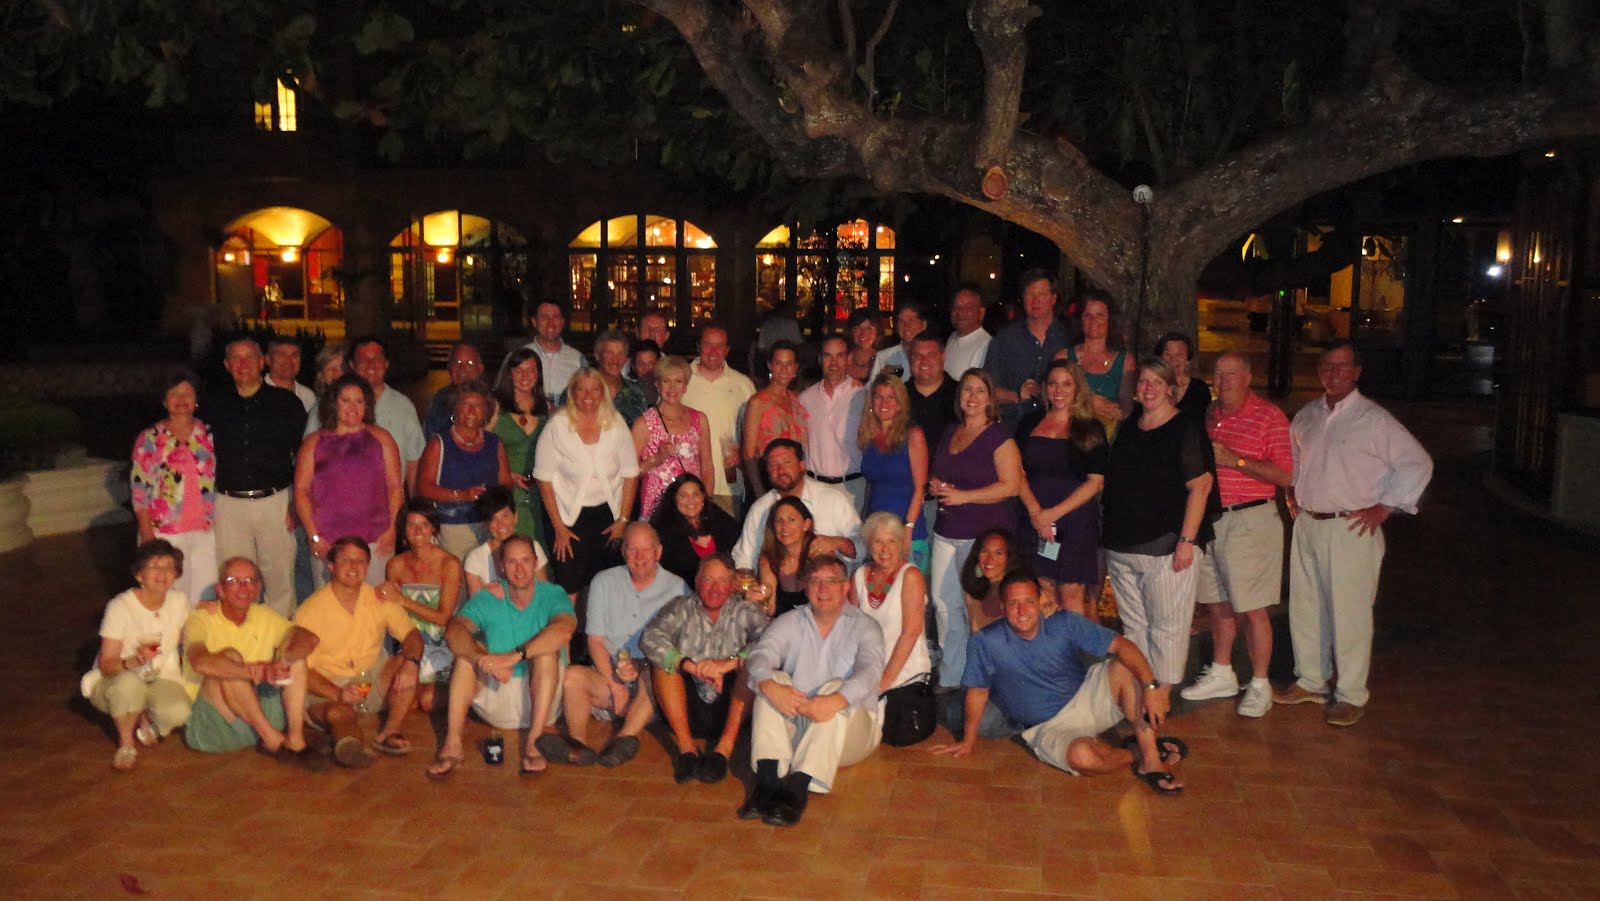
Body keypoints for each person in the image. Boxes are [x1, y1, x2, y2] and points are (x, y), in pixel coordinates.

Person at [1275, 341, 1433, 727]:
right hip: (1309, 523)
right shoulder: (1307, 416)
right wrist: (1292, 493)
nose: (1333, 373)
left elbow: (1417, 462)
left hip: (1351, 526)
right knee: (1306, 606)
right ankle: (1311, 679)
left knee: (1350, 613)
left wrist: (1385, 506)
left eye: (1342, 366)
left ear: (1357, 371)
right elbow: (1293, 462)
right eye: (1327, 366)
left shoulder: (1373, 419)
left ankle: (1350, 693)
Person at [931, 572, 1188, 796]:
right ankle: (1137, 752)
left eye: (1029, 601)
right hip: (1048, 726)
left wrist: (1151, 687)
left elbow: (1123, 646)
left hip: (1086, 698)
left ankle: (1151, 761)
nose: (1022, 610)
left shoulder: (1063, 622)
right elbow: (978, 692)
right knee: (1083, 757)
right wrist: (968, 741)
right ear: (1002, 606)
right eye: (1014, 603)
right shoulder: (985, 642)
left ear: (1040, 601)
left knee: (1124, 668)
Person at [1181, 352, 1293, 718]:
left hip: (1250, 520)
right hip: (1212, 520)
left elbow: (1285, 475)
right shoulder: (1210, 414)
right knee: (1217, 602)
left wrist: (1236, 461)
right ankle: (1222, 671)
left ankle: (1260, 683)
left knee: (1253, 607)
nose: (1223, 380)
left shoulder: (1269, 416)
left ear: (1247, 377)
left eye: (1231, 373)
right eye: (1218, 373)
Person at [1101, 357, 1215, 713]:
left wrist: (1186, 541)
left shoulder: (1185, 429)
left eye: (1156, 382)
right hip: (1122, 545)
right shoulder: (1129, 427)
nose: (1148, 388)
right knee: (1135, 626)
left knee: (1168, 626)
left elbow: (1201, 486)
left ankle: (1160, 697)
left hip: (1165, 546)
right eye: (1143, 381)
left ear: (1170, 388)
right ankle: (1142, 690)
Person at [741, 556, 886, 826]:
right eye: (815, 581)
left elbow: (871, 673)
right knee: (771, 680)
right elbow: (760, 656)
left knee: (836, 690)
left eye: (831, 581)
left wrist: (836, 700)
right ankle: (767, 784)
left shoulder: (866, 626)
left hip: (852, 734)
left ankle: (797, 789)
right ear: (806, 588)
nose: (823, 588)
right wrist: (769, 686)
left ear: (845, 587)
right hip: (799, 724)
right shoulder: (789, 621)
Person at [426, 536, 577, 779]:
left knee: (546, 653)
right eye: (512, 562)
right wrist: (481, 658)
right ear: (501, 566)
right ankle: (452, 744)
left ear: (536, 563)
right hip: (498, 696)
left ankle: (534, 743)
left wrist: (512, 657)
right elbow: (454, 631)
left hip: (542, 700)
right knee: (465, 657)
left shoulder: (552, 594)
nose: (519, 569)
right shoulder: (488, 597)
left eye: (525, 561)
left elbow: (564, 629)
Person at [554, 523, 687, 767]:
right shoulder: (603, 582)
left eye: (646, 549)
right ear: (624, 551)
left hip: (650, 685)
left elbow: (679, 647)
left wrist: (641, 666)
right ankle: (578, 746)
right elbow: (595, 640)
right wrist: (615, 685)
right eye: (632, 549)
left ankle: (624, 740)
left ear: (658, 552)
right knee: (572, 677)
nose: (639, 556)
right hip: (609, 675)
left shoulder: (678, 588)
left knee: (657, 672)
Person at [926, 369, 1023, 691]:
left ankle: (987, 677)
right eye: (967, 389)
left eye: (980, 391)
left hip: (981, 536)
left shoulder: (999, 437)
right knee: (943, 604)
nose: (972, 396)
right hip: (946, 529)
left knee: (979, 606)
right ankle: (952, 674)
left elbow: (1011, 485)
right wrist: (936, 484)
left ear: (990, 398)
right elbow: (942, 472)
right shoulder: (951, 430)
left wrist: (965, 496)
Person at [181, 556, 325, 769]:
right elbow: (199, 662)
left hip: (259, 714)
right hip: (216, 725)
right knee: (228, 659)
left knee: (295, 657)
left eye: (250, 581)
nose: (243, 587)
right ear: (220, 590)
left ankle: (295, 740)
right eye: (234, 581)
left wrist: (282, 660)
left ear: (257, 588)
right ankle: (274, 741)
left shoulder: (263, 614)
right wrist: (255, 671)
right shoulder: (201, 619)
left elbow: (308, 638)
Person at [641, 553, 770, 784]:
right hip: (688, 701)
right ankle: (686, 750)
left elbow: (770, 641)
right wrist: (689, 665)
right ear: (697, 582)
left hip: (731, 703)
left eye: (722, 580)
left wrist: (728, 664)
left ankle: (723, 752)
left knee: (752, 667)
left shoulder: (746, 611)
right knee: (662, 665)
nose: (715, 588)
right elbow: (650, 637)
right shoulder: (680, 607)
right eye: (708, 580)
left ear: (733, 584)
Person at [294, 537, 423, 768]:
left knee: (405, 663)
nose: (354, 566)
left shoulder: (379, 598)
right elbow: (301, 671)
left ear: (368, 566)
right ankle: (349, 745)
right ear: (331, 566)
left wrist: (411, 664)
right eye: (346, 560)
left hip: (370, 679)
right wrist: (338, 693)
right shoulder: (309, 612)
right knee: (338, 713)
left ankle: (390, 732)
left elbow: (412, 636)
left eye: (360, 561)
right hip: (329, 685)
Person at [203, 338, 307, 617]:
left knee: (280, 577)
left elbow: (303, 456)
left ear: (262, 362)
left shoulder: (287, 404)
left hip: (275, 501)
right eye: (236, 358)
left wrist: (296, 502)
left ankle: (278, 636)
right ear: (227, 365)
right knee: (235, 578)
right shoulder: (214, 405)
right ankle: (240, 635)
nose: (243, 364)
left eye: (249, 357)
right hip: (229, 504)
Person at [80, 540, 193, 772]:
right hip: (115, 678)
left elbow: (189, 636)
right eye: (154, 566)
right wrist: (131, 662)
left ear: (176, 574)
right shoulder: (120, 607)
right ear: (139, 575)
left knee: (180, 712)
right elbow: (106, 664)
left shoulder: (179, 602)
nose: (162, 573)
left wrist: (210, 613)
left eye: (169, 567)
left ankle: (145, 716)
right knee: (130, 685)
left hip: (157, 675)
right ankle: (126, 743)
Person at [534, 368, 641, 601]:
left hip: (608, 517)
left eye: (594, 390)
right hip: (566, 518)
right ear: (572, 393)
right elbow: (543, 479)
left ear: (603, 393)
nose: (588, 396)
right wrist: (558, 527)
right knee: (569, 584)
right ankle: (568, 626)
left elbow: (631, 474)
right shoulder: (557, 425)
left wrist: (623, 520)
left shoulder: (616, 423)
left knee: (606, 585)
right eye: (581, 389)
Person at [1017, 361, 1109, 617]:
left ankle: (1073, 644)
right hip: (1034, 517)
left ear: (1077, 388)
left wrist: (1051, 515)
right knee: (1042, 590)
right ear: (1044, 388)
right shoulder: (1029, 423)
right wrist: (1037, 514)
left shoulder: (1090, 427)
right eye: (1053, 384)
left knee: (1071, 593)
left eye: (1066, 384)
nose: (1059, 391)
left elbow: (1095, 482)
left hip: (1074, 520)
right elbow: (1017, 473)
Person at [293, 374, 403, 586]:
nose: (353, 407)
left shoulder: (382, 439)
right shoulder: (313, 443)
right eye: (346, 400)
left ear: (367, 405)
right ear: (334, 403)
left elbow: (395, 487)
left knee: (373, 600)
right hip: (328, 541)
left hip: (375, 539)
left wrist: (392, 529)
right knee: (329, 602)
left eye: (359, 401)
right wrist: (313, 536)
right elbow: (301, 491)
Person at [131, 370, 218, 605]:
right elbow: (139, 490)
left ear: (196, 399)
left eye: (187, 393)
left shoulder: (209, 434)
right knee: (171, 595)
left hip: (205, 531)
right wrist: (146, 533)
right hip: (164, 531)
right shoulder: (150, 438)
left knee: (204, 595)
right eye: (174, 394)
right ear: (164, 401)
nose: (181, 399)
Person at [385, 499, 467, 711]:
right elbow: (392, 613)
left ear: (433, 528)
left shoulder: (449, 564)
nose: (418, 531)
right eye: (412, 525)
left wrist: (403, 600)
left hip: (442, 645)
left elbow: (443, 618)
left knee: (427, 700)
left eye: (424, 524)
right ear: (404, 530)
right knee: (401, 699)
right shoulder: (395, 565)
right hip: (410, 645)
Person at [416, 380, 511, 561]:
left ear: (487, 412)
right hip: (453, 527)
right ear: (455, 408)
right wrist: (462, 495)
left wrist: (494, 501)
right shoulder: (439, 443)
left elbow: (506, 483)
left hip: (490, 526)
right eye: (466, 404)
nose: (472, 410)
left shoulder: (495, 443)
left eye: (478, 405)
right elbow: (423, 487)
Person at [732, 439, 861, 570]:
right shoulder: (760, 508)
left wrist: (837, 542)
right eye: (773, 464)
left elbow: (862, 548)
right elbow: (743, 559)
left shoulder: (832, 498)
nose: (780, 470)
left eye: (787, 462)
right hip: (776, 581)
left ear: (802, 465)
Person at [852, 513, 931, 708]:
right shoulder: (859, 576)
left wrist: (882, 685)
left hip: (906, 678)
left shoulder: (911, 576)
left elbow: (910, 633)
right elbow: (850, 631)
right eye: (878, 542)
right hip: (868, 675)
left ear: (901, 544)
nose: (885, 549)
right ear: (869, 545)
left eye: (891, 541)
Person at [681, 323, 756, 514]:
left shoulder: (743, 385)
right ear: (699, 346)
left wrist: (742, 453)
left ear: (727, 350)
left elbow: (755, 433)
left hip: (729, 486)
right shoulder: (681, 380)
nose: (713, 351)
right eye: (708, 344)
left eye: (719, 345)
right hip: (687, 485)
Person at [334, 337, 425, 493]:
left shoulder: (404, 406)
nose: (371, 364)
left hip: (390, 500)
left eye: (377, 359)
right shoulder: (332, 403)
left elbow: (413, 461)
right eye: (363, 359)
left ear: (386, 363)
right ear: (352, 365)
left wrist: (414, 501)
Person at [857, 372, 929, 569]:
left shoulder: (913, 435)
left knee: (909, 586)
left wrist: (908, 529)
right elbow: (871, 486)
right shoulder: (869, 436)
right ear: (872, 401)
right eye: (879, 396)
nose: (884, 403)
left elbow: (920, 489)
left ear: (900, 403)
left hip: (906, 530)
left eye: (891, 397)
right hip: (876, 531)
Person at [632, 354, 714, 521]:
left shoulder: (699, 419)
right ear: (657, 384)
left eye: (678, 381)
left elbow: (707, 468)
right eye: (666, 381)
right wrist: (657, 458)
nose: (672, 387)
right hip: (656, 509)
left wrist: (704, 506)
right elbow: (630, 473)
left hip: (691, 509)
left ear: (685, 386)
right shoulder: (644, 423)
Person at [987, 270, 1072, 424]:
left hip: (1055, 426)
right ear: (1023, 298)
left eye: (1042, 294)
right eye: (1030, 294)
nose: (1035, 301)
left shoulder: (1067, 338)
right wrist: (1017, 396)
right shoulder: (1005, 338)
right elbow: (987, 388)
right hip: (1011, 425)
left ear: (1053, 298)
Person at [488, 347, 549, 548]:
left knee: (539, 550)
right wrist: (506, 474)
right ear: (509, 373)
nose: (525, 376)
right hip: (508, 494)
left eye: (531, 370)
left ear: (539, 374)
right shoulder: (495, 407)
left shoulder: (547, 409)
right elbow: (481, 450)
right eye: (518, 370)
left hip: (539, 495)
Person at [799, 336, 867, 509]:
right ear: (820, 359)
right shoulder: (805, 399)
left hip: (852, 488)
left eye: (840, 356)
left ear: (848, 358)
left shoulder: (863, 396)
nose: (834, 362)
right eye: (828, 356)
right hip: (814, 488)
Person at [1059, 297, 1134, 438]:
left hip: (1110, 436)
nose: (1093, 321)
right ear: (1080, 320)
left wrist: (1115, 414)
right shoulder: (1064, 356)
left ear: (1110, 321)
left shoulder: (1125, 361)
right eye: (1087, 315)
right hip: (1069, 436)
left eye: (1100, 315)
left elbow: (1127, 407)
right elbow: (1054, 400)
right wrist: (1088, 403)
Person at [742, 339, 808, 494]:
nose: (784, 369)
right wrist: (759, 492)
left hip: (795, 481)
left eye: (789, 364)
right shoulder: (758, 402)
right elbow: (749, 454)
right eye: (779, 363)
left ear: (796, 367)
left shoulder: (796, 399)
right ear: (770, 365)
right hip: (770, 480)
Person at [652, 473, 741, 584]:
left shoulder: (720, 519)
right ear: (674, 499)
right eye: (683, 495)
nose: (691, 501)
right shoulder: (664, 532)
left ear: (703, 498)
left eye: (696, 494)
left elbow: (739, 550)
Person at [462, 487, 549, 595]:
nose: (501, 524)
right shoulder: (475, 558)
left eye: (505, 516)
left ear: (515, 517)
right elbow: (477, 602)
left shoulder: (533, 547)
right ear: (486, 524)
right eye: (493, 519)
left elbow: (544, 592)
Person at [516, 300, 587, 406]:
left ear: (562, 322)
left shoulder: (577, 359)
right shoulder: (520, 356)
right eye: (544, 317)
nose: (550, 323)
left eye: (556, 317)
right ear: (534, 322)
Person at [756, 496, 816, 618]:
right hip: (780, 626)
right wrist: (754, 601)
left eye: (791, 520)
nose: (784, 526)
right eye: (779, 520)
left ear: (806, 524)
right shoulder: (768, 560)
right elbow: (769, 609)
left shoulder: (819, 555)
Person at [960, 527, 1025, 632]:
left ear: (1009, 558)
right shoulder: (973, 596)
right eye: (985, 551)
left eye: (998, 553)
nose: (989, 559)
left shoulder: (1019, 595)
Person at [423, 342, 486, 437]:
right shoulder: (439, 400)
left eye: (469, 363)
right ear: (449, 367)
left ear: (480, 368)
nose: (462, 369)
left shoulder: (490, 402)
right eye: (457, 362)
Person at [590, 328, 649, 425]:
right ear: (597, 355)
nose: (615, 360)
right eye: (609, 353)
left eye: (620, 354)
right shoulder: (582, 390)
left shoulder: (636, 393)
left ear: (626, 358)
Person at [1155, 332, 1210, 420]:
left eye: (1179, 354)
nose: (1173, 359)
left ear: (1188, 360)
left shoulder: (1200, 389)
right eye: (1168, 354)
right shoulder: (1152, 387)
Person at [869, 301, 929, 381]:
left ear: (924, 325)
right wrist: (882, 379)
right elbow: (872, 386)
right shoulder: (883, 357)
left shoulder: (934, 355)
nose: (906, 326)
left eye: (911, 320)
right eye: (901, 321)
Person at [944, 285, 991, 378]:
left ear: (981, 313)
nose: (960, 312)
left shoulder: (987, 346)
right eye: (956, 306)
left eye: (968, 307)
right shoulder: (952, 337)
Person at [265, 337, 316, 410]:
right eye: (282, 355)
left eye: (294, 355)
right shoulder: (257, 392)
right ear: (268, 360)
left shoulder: (307, 396)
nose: (289, 361)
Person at [845, 309, 881, 384]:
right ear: (851, 332)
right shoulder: (843, 360)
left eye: (869, 328)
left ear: (877, 332)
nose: (863, 333)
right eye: (858, 328)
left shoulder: (883, 362)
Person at [628, 338, 662, 407]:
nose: (646, 368)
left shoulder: (671, 392)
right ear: (633, 366)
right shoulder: (626, 395)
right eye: (641, 364)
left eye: (651, 363)